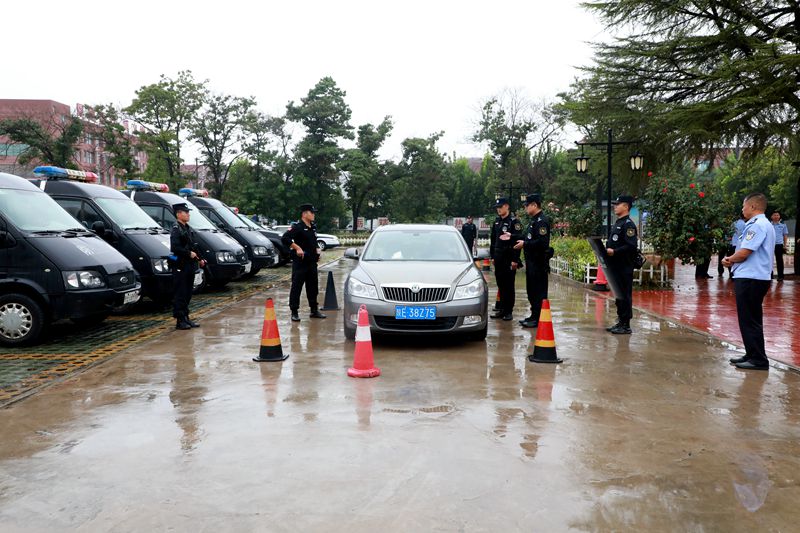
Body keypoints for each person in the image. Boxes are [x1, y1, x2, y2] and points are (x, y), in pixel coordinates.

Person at [722, 193, 775, 370]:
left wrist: (729, 259)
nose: (742, 209)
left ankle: (758, 359)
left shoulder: (758, 225)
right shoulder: (760, 224)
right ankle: (752, 353)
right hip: (753, 277)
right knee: (750, 318)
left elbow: (745, 252)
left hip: (751, 277)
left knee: (749, 319)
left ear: (753, 207)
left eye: (744, 206)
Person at [282, 204, 326, 322]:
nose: (313, 215)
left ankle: (314, 310)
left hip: (312, 263)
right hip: (300, 263)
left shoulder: (313, 227)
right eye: (312, 212)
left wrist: (317, 250)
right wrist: (297, 248)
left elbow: (313, 241)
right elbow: (285, 238)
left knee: (313, 288)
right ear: (305, 214)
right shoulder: (297, 227)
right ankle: (294, 312)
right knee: (296, 287)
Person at [514, 194, 550, 328]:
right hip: (532, 262)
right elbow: (527, 237)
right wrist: (513, 236)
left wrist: (525, 244)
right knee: (532, 291)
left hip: (538, 262)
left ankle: (538, 317)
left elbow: (542, 243)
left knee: (538, 291)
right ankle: (534, 315)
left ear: (534, 205)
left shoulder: (541, 221)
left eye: (527, 205)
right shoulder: (534, 220)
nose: (525, 208)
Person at [604, 195, 638, 335]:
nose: (615, 206)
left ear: (626, 206)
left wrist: (615, 251)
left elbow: (631, 246)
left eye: (618, 204)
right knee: (619, 295)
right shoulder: (618, 223)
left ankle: (626, 324)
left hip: (624, 266)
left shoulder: (628, 224)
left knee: (624, 294)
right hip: (616, 266)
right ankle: (621, 321)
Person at [170, 203, 206, 330]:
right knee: (180, 293)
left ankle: (186, 318)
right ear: (179, 214)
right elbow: (175, 248)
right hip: (180, 265)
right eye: (185, 212)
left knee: (188, 293)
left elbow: (193, 245)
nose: (188, 214)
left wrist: (200, 259)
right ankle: (180, 321)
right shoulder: (176, 228)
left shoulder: (187, 228)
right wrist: (188, 253)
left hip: (189, 265)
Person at [489, 198, 523, 321]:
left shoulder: (514, 222)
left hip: (509, 257)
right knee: (501, 284)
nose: (498, 209)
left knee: (509, 285)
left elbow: (518, 241)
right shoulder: (497, 222)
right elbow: (493, 240)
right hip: (498, 257)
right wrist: (492, 256)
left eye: (501, 206)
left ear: (507, 206)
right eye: (497, 207)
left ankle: (508, 311)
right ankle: (502, 309)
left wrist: (515, 259)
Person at [771, 210, 789, 281]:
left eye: (777, 215)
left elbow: (785, 235)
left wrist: (785, 245)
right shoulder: (769, 225)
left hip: (779, 245)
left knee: (780, 261)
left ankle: (780, 276)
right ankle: (770, 275)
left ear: (779, 216)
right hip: (770, 245)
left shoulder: (783, 225)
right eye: (774, 215)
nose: (776, 216)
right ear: (771, 216)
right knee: (769, 260)